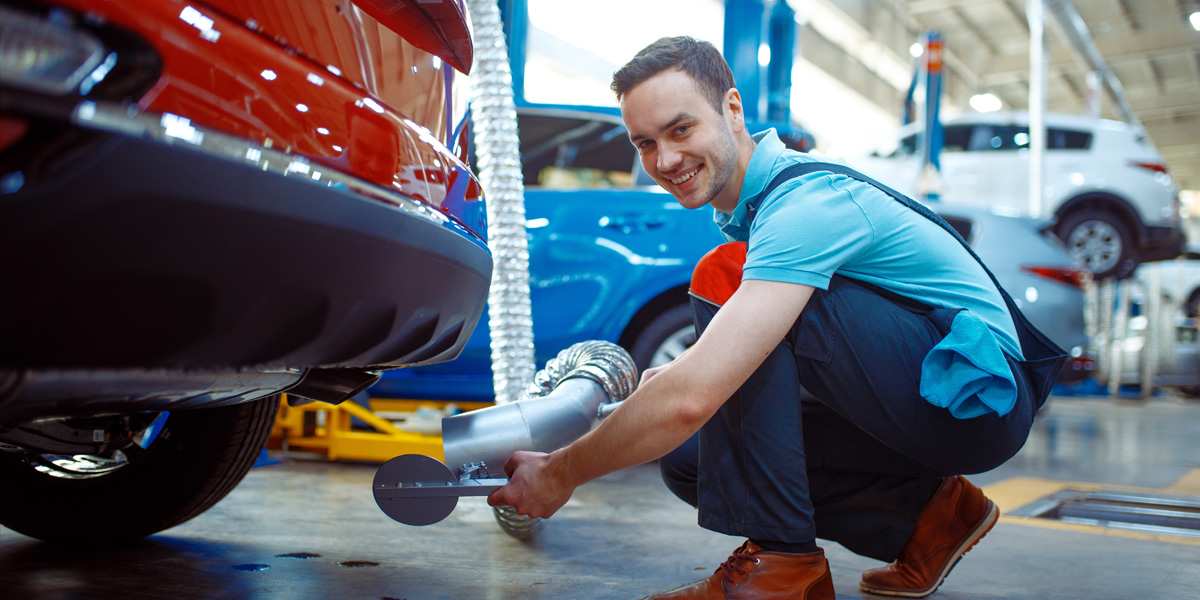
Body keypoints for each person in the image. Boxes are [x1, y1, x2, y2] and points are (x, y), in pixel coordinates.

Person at [487, 36, 1065, 599]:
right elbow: (696, 400)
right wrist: (665, 389)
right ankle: (933, 519)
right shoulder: (763, 213)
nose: (664, 160)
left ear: (732, 109)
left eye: (680, 129)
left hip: (975, 402)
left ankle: (784, 570)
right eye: (644, 143)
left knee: (725, 292)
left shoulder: (803, 207)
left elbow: (698, 394)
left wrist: (561, 472)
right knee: (694, 457)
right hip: (929, 399)